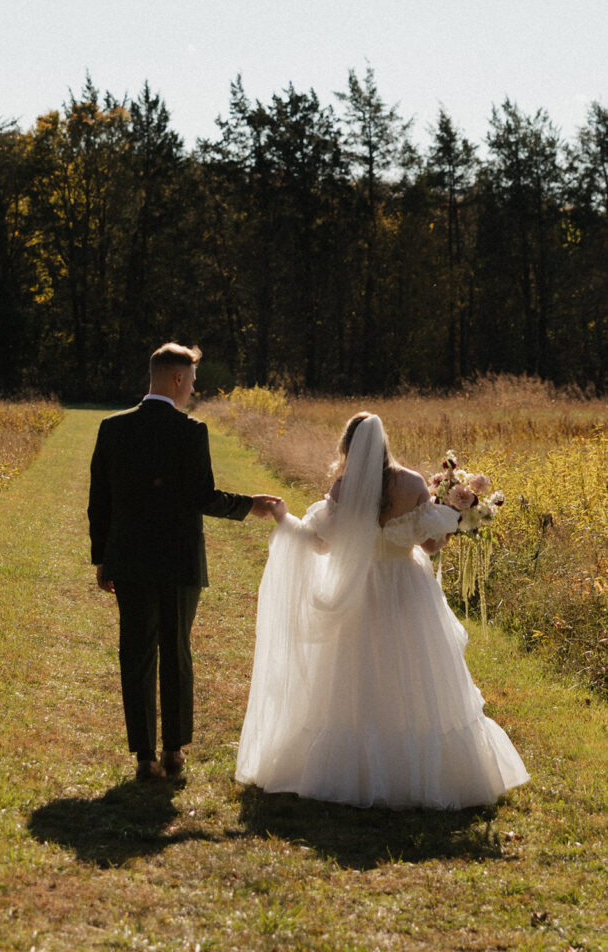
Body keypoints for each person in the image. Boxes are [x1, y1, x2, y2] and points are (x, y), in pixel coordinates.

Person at [236, 412, 529, 809]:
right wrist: (455, 517)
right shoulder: (410, 483)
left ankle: (355, 767)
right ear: (384, 442)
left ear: (348, 446)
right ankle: (416, 768)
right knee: (410, 668)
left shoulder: (342, 488)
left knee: (358, 669)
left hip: (358, 588)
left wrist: (285, 518)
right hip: (407, 586)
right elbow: (430, 546)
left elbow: (322, 545)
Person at [88, 343, 278, 781]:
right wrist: (250, 505)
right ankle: (173, 750)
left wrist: (104, 557)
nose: (193, 388)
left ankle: (143, 758)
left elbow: (100, 502)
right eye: (192, 380)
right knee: (176, 651)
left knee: (135, 654)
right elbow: (202, 497)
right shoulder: (190, 431)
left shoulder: (112, 428)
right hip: (178, 560)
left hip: (130, 560)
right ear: (176, 378)